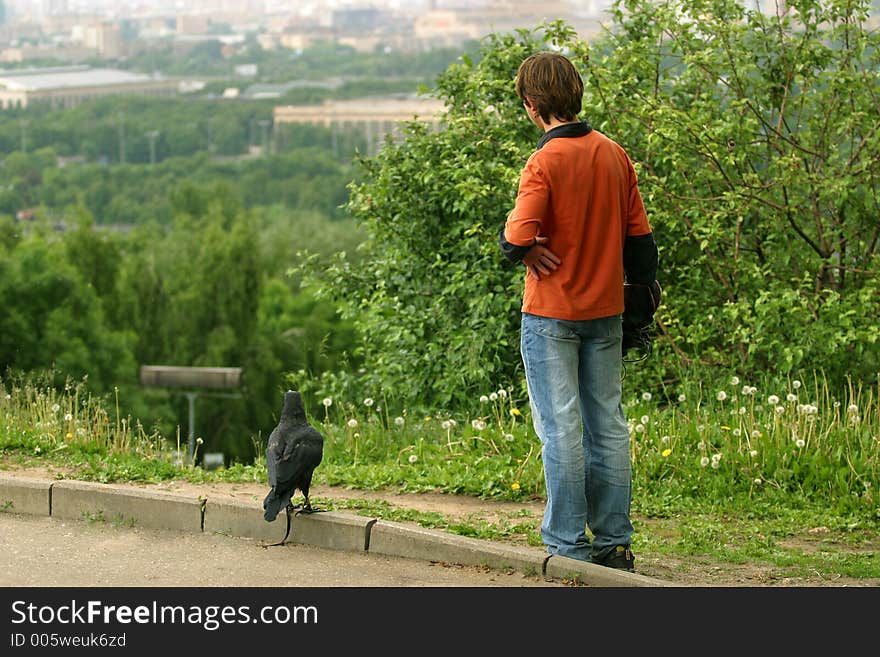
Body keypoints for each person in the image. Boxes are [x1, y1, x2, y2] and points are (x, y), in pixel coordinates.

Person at [498, 51, 659, 571]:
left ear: (531, 104)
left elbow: (515, 235)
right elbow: (642, 245)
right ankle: (613, 544)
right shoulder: (614, 154)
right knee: (607, 424)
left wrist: (525, 250)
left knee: (561, 429)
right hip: (606, 312)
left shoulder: (543, 162)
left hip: (551, 315)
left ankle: (567, 545)